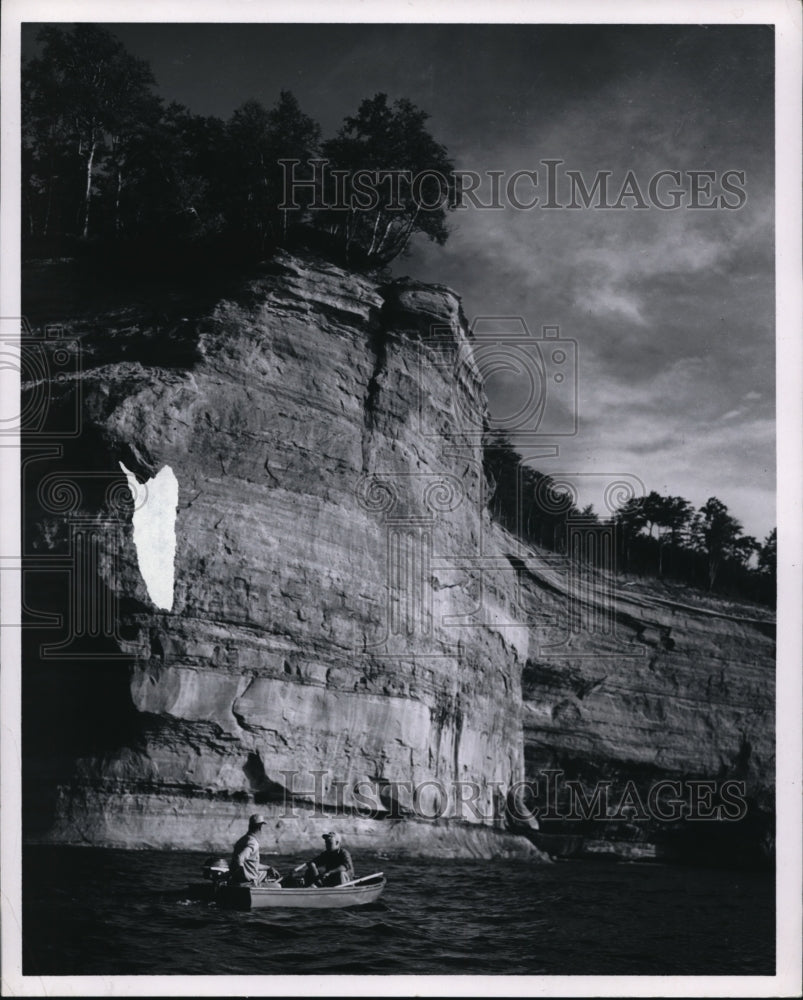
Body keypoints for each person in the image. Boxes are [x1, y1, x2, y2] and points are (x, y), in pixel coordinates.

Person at [230, 813, 280, 885]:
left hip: (236, 880)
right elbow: (240, 858)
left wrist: (268, 868)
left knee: (265, 873)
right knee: (278, 886)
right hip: (249, 882)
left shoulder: (242, 840)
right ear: (260, 827)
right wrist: (244, 877)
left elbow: (252, 864)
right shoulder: (253, 843)